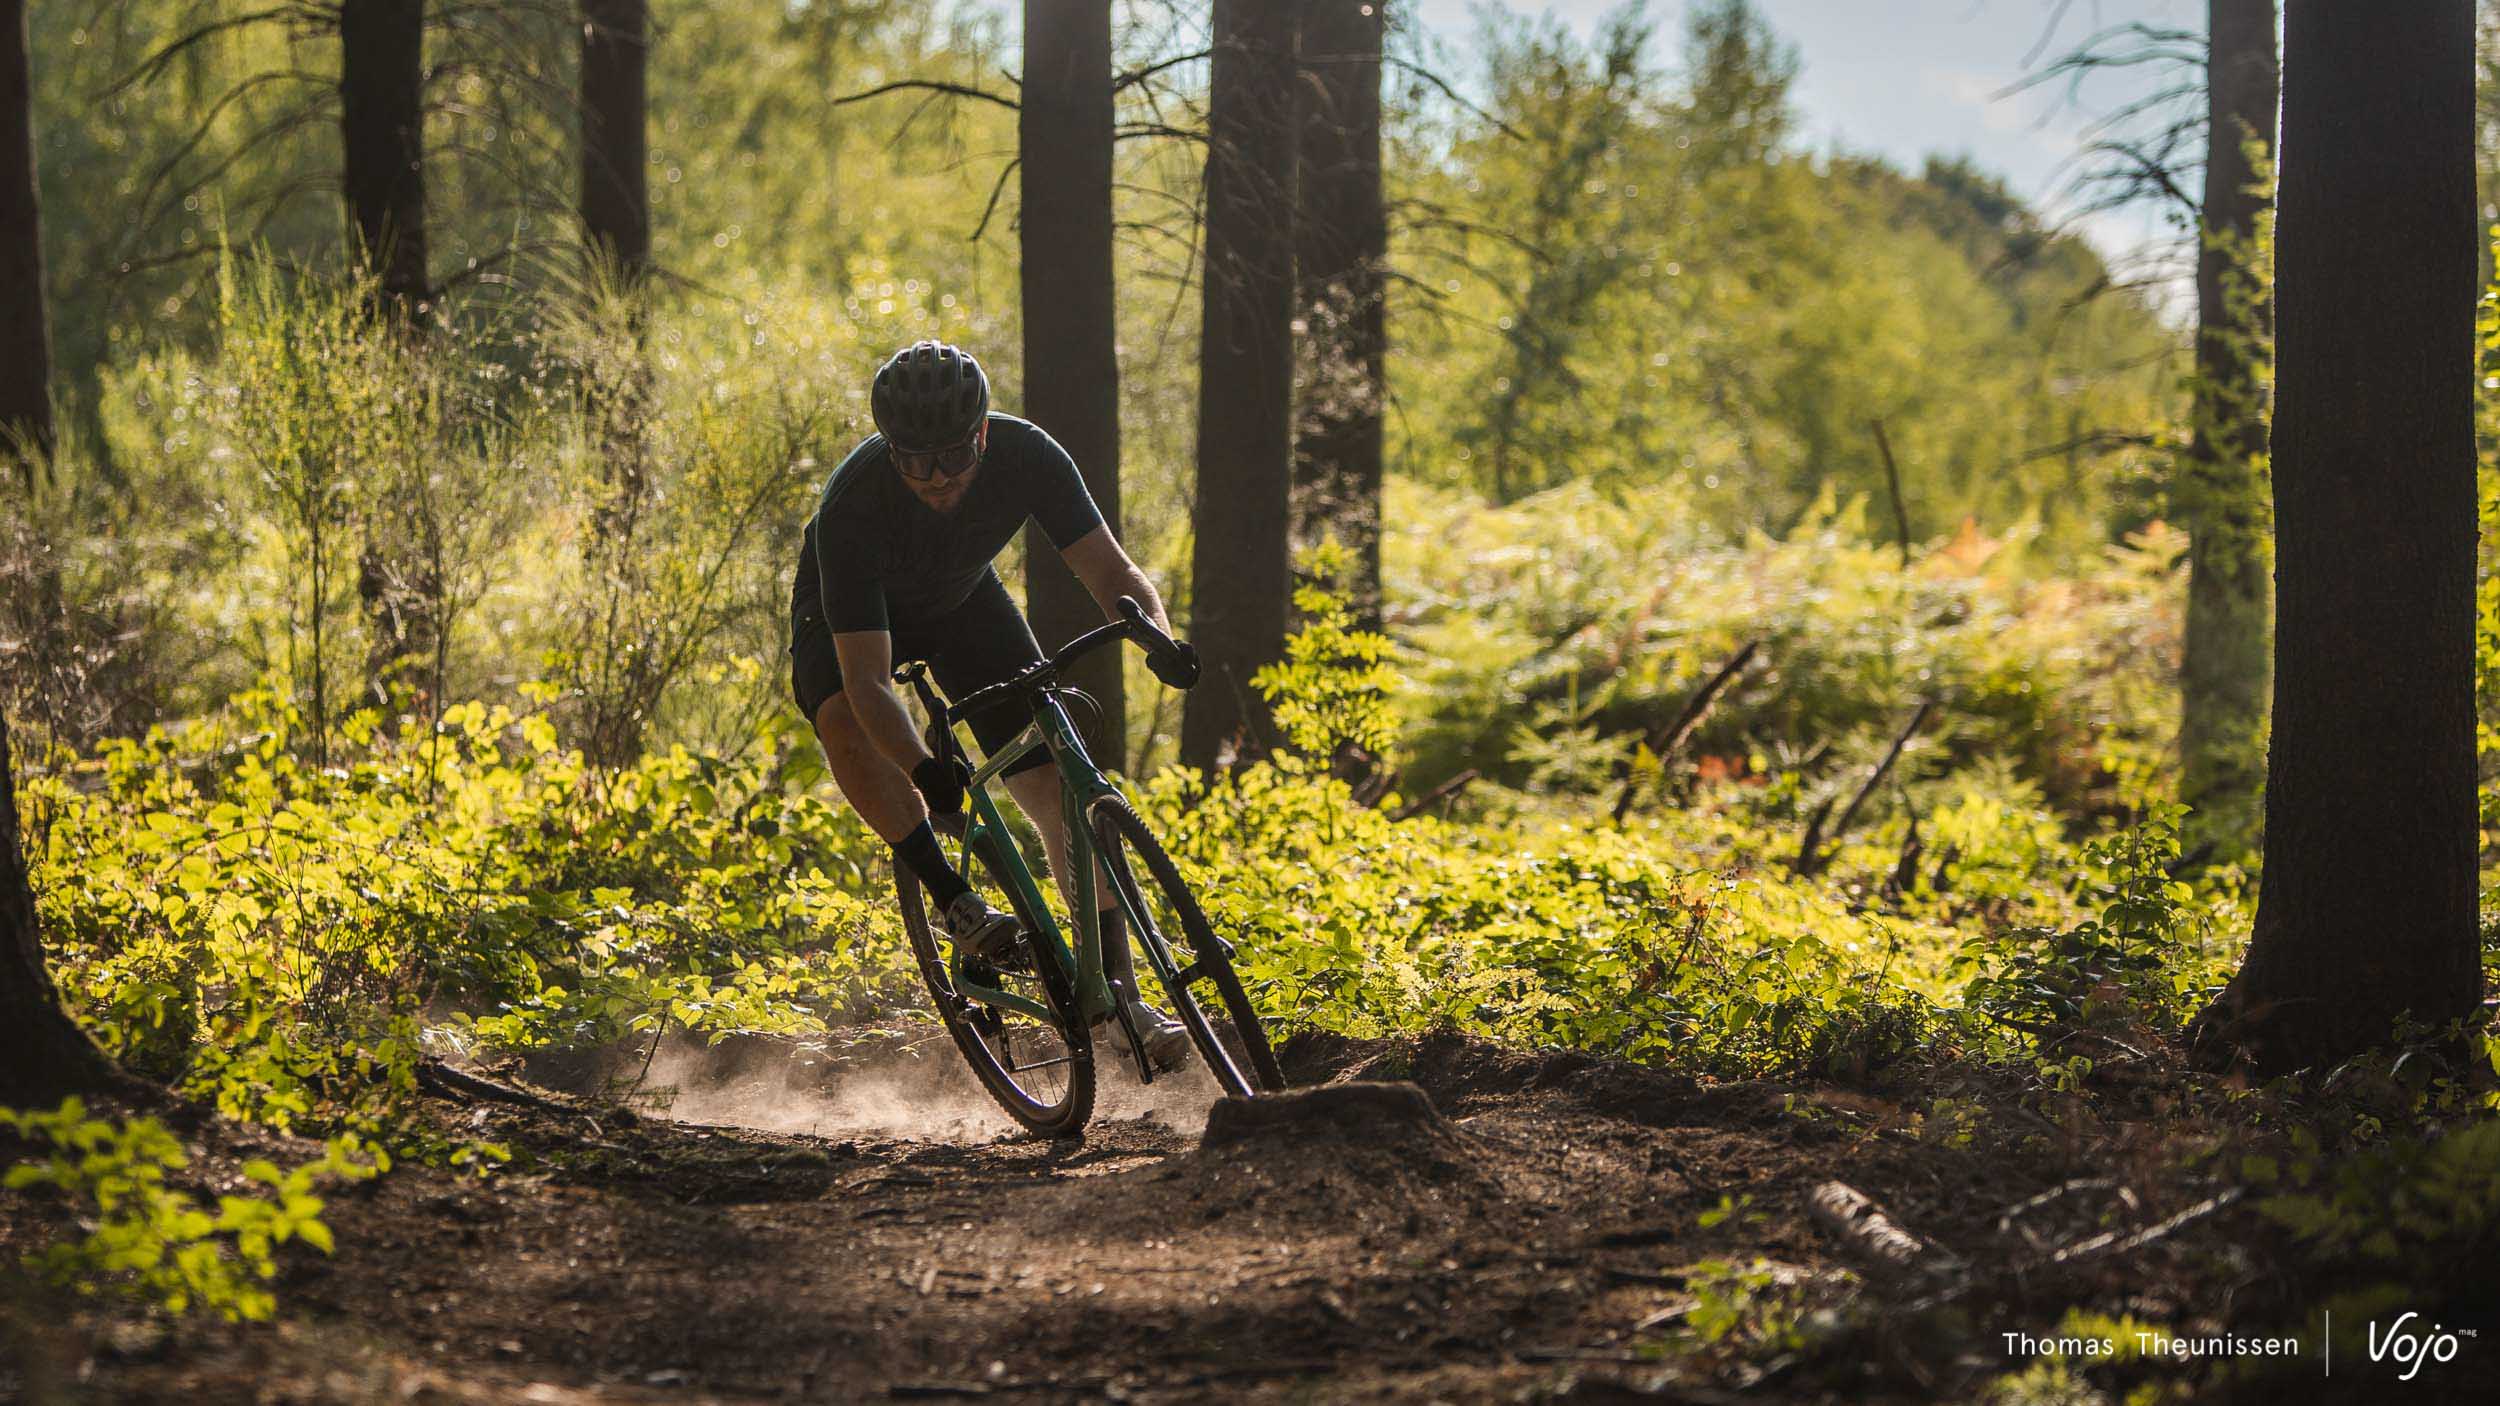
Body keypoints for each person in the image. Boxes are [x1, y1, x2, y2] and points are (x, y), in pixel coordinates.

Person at [789, 340, 1197, 1070]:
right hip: (848, 618)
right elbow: (869, 681)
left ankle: (1122, 1000)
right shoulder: (853, 506)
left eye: (953, 455)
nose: (938, 478)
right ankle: (952, 897)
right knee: (845, 721)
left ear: (982, 432)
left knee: (1056, 788)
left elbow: (1111, 572)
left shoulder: (1028, 455)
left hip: (961, 601)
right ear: (891, 451)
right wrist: (924, 769)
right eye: (915, 462)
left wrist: (1157, 639)